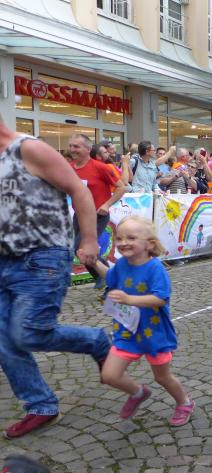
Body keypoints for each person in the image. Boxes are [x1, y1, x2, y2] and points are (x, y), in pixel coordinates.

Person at [0, 118, 111, 438]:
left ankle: (96, 341)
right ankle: (41, 405)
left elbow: (79, 190)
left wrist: (88, 239)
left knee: (29, 333)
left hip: (42, 257)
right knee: (4, 339)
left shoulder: (28, 149)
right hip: (4, 260)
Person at [94, 216, 194, 425]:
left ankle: (184, 402)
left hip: (154, 334)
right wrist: (93, 262)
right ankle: (138, 393)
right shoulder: (122, 264)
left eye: (131, 238)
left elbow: (160, 298)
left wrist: (129, 299)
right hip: (127, 332)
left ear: (149, 244)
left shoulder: (155, 268)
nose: (123, 243)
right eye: (119, 238)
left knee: (162, 377)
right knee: (110, 375)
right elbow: (110, 277)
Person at [69, 134, 126, 287]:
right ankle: (107, 278)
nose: (72, 149)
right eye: (71, 146)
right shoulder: (69, 168)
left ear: (88, 149)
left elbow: (121, 188)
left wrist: (107, 205)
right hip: (79, 216)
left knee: (80, 247)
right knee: (81, 250)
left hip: (97, 215)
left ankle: (107, 278)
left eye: (76, 146)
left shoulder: (100, 167)